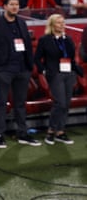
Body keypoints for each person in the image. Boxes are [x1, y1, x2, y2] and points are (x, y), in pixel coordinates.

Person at [0, 0, 41, 148]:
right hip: (4, 70)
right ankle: (0, 134)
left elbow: (27, 45)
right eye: (12, 4)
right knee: (1, 103)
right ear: (5, 7)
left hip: (22, 69)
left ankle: (22, 133)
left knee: (20, 103)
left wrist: (29, 66)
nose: (15, 7)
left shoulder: (22, 23)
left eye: (17, 4)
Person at [34, 14, 82, 145]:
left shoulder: (68, 39)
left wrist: (75, 71)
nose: (62, 25)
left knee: (66, 104)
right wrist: (44, 70)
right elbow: (37, 58)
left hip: (69, 73)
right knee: (59, 103)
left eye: (63, 22)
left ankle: (60, 131)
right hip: (55, 74)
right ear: (52, 25)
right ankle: (51, 131)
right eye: (59, 23)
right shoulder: (45, 40)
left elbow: (72, 57)